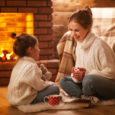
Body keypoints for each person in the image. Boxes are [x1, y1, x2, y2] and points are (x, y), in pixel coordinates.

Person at [59, 6, 115, 101]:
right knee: (63, 80)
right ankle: (86, 97)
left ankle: (86, 95)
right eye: (70, 30)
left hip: (107, 85)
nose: (73, 34)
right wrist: (76, 76)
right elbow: (81, 74)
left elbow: (111, 72)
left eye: (76, 30)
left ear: (88, 28)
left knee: (89, 80)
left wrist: (86, 75)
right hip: (87, 82)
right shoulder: (79, 46)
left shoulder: (100, 45)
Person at [7, 33, 59, 106]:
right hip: (23, 100)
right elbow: (39, 86)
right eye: (37, 46)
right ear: (30, 49)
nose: (39, 49)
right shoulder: (31, 66)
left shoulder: (18, 63)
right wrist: (50, 83)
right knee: (55, 89)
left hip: (12, 98)